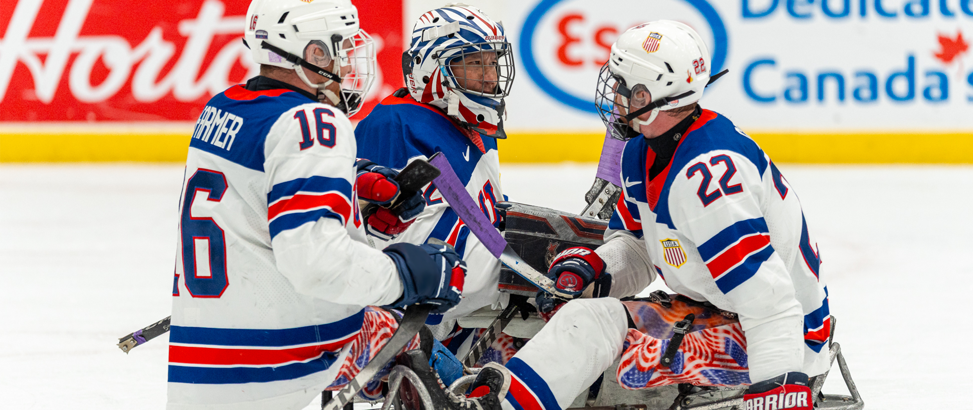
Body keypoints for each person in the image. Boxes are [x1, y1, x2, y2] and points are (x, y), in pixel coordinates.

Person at [406, 20, 833, 410]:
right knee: (580, 318)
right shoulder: (640, 152)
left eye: (624, 86)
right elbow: (640, 244)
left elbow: (771, 302)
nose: (614, 95)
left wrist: (781, 388)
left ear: (648, 98)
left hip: (781, 341)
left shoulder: (709, 179)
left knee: (589, 325)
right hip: (718, 312)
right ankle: (496, 400)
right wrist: (594, 267)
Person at [166, 1, 466, 409]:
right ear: (313, 53)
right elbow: (316, 262)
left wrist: (351, 186)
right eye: (338, 48)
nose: (346, 63)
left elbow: (257, 197)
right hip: (283, 370)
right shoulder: (315, 122)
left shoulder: (223, 108)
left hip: (201, 365)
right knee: (417, 347)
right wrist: (405, 275)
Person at [354, 4, 516, 358]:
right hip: (421, 336)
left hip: (473, 319)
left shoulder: (472, 121)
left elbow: (481, 221)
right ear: (434, 70)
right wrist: (516, 275)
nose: (490, 76)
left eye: (492, 62)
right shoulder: (394, 126)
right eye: (475, 63)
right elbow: (387, 255)